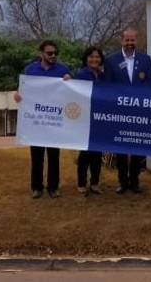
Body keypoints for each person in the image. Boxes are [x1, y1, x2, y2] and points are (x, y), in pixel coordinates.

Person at [15, 40, 71, 199]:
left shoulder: (63, 70)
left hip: (54, 120)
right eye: (49, 53)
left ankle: (53, 187)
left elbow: (71, 91)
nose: (53, 55)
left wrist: (69, 80)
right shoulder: (30, 69)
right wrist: (18, 94)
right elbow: (22, 88)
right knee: (37, 157)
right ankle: (36, 187)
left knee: (54, 156)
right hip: (36, 121)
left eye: (55, 53)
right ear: (42, 54)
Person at [103, 28, 151, 194]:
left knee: (137, 146)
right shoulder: (111, 60)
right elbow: (108, 86)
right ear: (121, 41)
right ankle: (122, 182)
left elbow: (149, 82)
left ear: (136, 41)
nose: (130, 43)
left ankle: (135, 181)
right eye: (127, 40)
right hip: (120, 111)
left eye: (133, 40)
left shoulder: (145, 59)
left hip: (139, 111)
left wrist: (140, 101)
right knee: (121, 148)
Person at [75, 46, 107, 196]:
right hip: (85, 118)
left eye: (97, 57)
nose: (95, 59)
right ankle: (81, 183)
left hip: (99, 118)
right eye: (91, 57)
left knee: (97, 153)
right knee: (85, 153)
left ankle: (94, 183)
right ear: (86, 59)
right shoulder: (81, 74)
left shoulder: (102, 76)